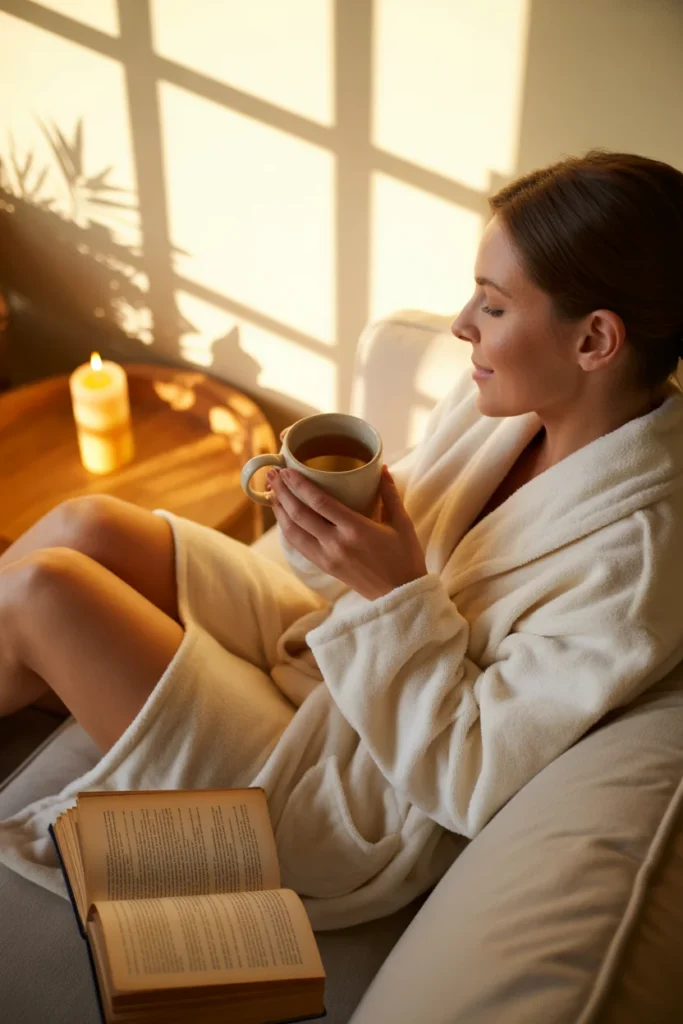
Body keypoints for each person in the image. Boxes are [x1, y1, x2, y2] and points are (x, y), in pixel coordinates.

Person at [2, 149, 683, 931]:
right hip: (329, 666)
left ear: (594, 340)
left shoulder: (630, 565)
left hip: (347, 794)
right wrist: (327, 526)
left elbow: (469, 777)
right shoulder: (507, 408)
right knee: (89, 521)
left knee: (40, 592)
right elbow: (369, 562)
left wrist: (392, 594)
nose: (462, 325)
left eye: (492, 307)